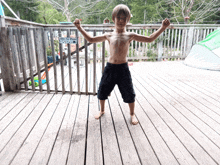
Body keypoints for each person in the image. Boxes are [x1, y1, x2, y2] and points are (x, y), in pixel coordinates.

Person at [74, 4, 170, 125]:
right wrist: (79, 28)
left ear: (128, 20)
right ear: (113, 18)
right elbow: (91, 40)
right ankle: (102, 110)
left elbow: (149, 39)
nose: (121, 20)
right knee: (102, 90)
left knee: (129, 92)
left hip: (123, 69)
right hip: (110, 68)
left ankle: (132, 114)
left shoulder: (130, 35)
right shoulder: (108, 35)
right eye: (118, 17)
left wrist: (162, 27)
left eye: (124, 18)